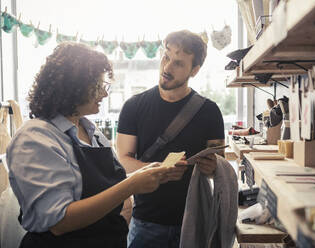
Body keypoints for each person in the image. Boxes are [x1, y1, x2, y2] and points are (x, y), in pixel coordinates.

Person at [6, 42, 182, 248]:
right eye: (99, 86)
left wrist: (144, 175)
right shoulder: (36, 138)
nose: (105, 94)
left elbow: (98, 186)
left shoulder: (91, 130)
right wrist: (132, 185)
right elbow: (59, 221)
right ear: (73, 86)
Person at [116, 30, 225, 248]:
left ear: (194, 71)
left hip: (195, 220)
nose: (167, 68)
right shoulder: (133, 106)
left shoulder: (210, 111)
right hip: (146, 221)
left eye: (178, 63)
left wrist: (212, 167)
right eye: (166, 57)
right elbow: (123, 162)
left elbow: (218, 166)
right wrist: (157, 171)